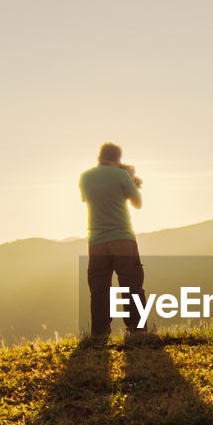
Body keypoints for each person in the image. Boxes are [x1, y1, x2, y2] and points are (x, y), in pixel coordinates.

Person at [78, 142, 145, 337]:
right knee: (132, 286)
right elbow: (138, 203)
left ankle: (99, 334)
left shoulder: (85, 177)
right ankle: (137, 330)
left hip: (96, 241)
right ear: (117, 159)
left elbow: (90, 199)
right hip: (123, 238)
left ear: (100, 157)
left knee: (99, 290)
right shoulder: (122, 175)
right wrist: (130, 180)